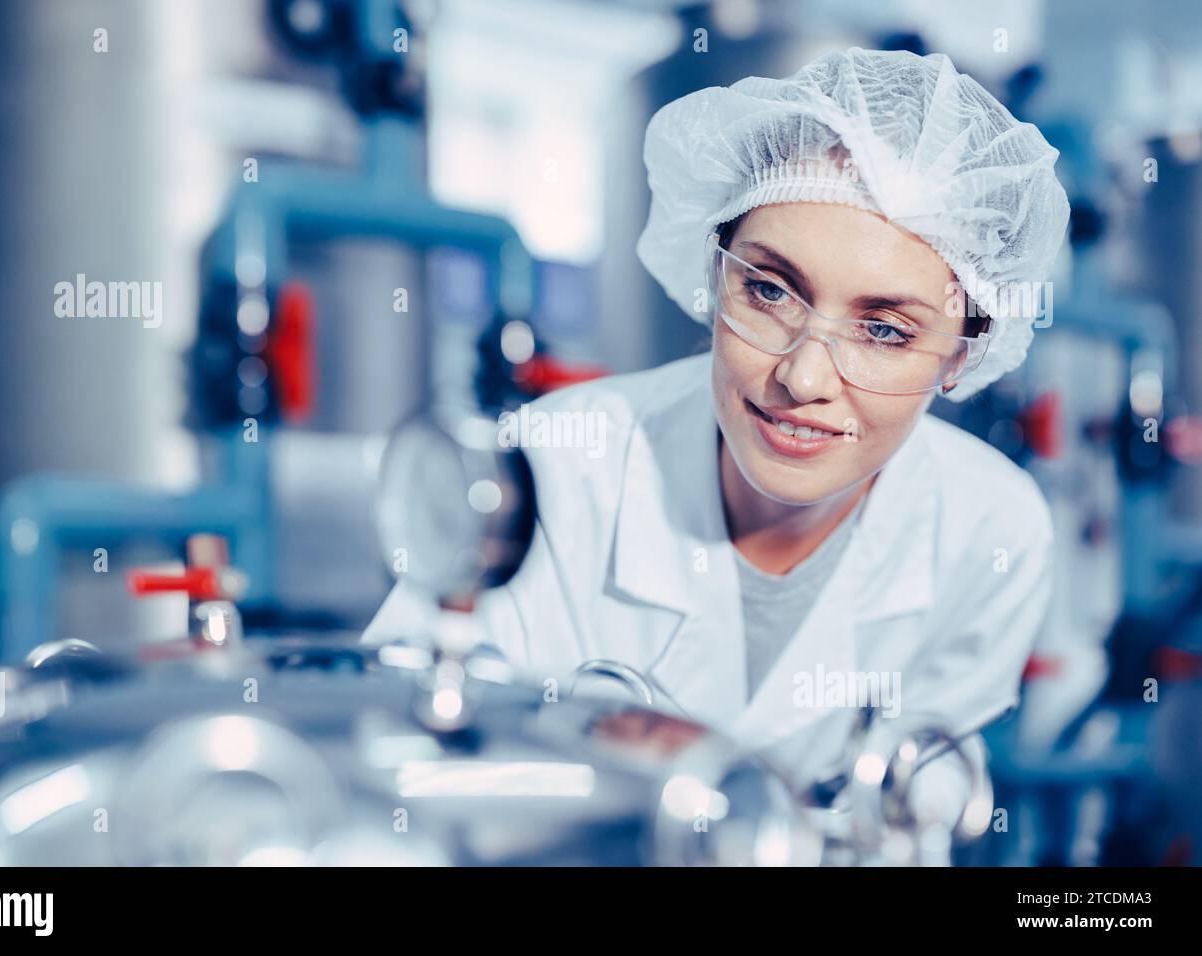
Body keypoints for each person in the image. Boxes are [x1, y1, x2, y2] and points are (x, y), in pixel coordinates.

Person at [364, 47, 1069, 826]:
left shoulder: (995, 531)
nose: (803, 377)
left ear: (963, 355)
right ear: (714, 273)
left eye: (883, 329)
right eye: (769, 290)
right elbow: (394, 765)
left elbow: (911, 811)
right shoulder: (548, 469)